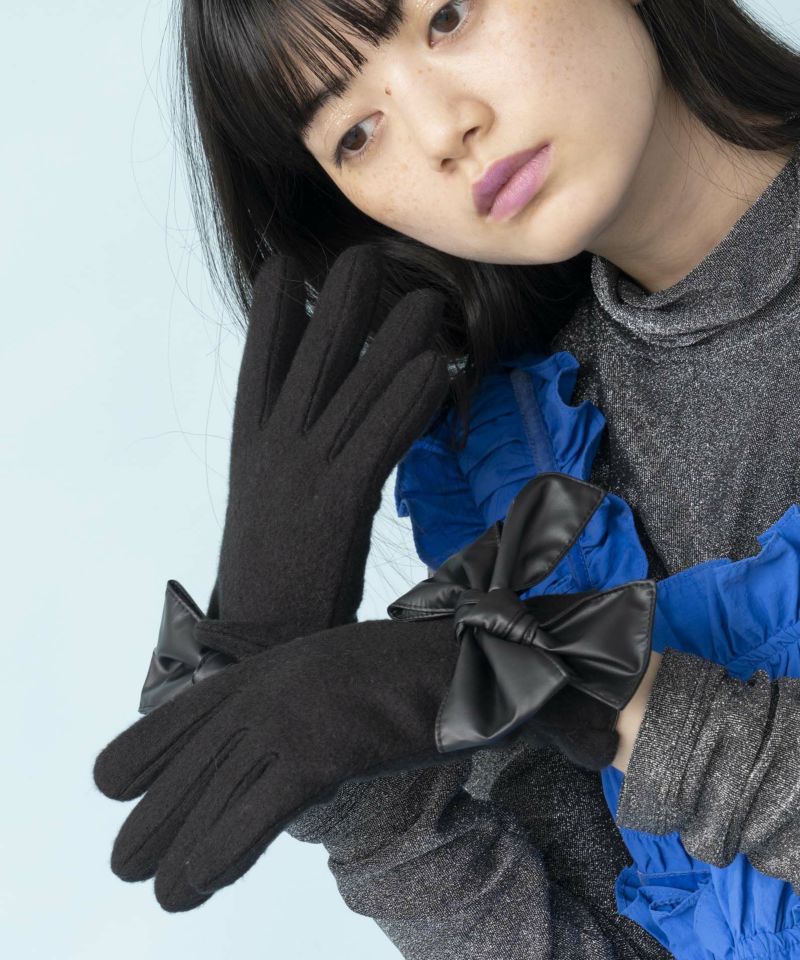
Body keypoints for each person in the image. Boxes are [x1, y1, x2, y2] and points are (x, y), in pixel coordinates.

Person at [119, 0, 800, 956]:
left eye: (446, 16)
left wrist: (592, 683)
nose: (443, 132)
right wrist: (351, 776)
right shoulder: (521, 455)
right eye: (356, 132)